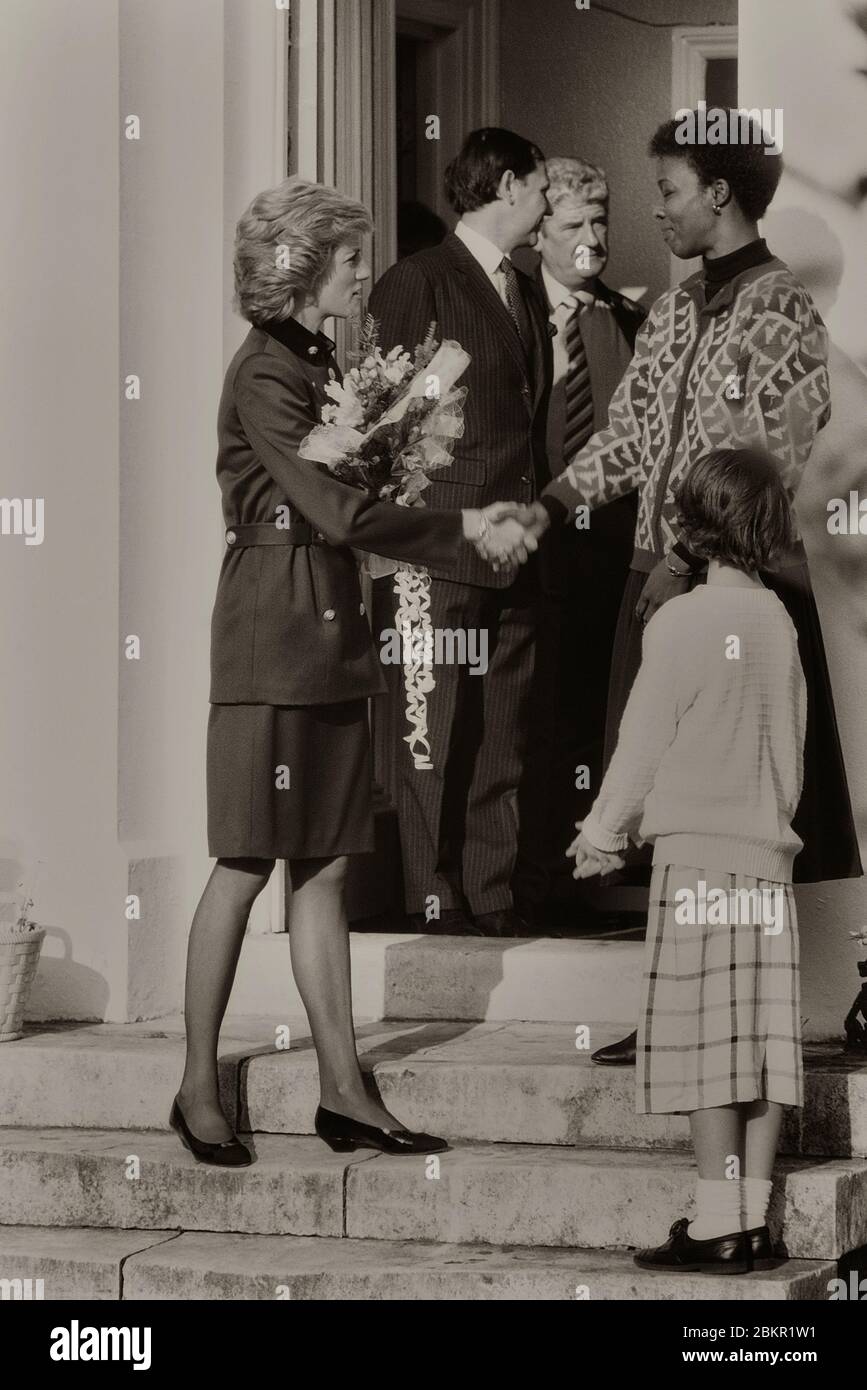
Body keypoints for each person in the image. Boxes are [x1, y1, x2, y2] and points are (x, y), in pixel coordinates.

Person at [172, 177, 537, 1167]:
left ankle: (344, 1089)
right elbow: (335, 509)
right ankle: (197, 1085)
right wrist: (460, 521)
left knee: (328, 865)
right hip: (272, 628)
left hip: (332, 623)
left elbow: (352, 488)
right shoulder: (264, 375)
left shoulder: (319, 358)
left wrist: (401, 430)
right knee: (247, 859)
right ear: (301, 271)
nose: (360, 273)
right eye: (345, 260)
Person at [525, 109, 861, 1061]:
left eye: (668, 190)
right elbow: (628, 436)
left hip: (741, 594)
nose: (656, 210)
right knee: (672, 807)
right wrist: (547, 508)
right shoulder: (672, 310)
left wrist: (678, 559)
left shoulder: (782, 307)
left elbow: (768, 462)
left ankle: (751, 1021)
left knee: (735, 812)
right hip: (661, 581)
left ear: (719, 193)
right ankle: (677, 1006)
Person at [569, 448, 807, 1274]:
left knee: (710, 1049)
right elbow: (792, 749)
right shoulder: (778, 624)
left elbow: (641, 746)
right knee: (762, 1046)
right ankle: (754, 1219)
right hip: (765, 866)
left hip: (699, 865)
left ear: (690, 525)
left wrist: (602, 833)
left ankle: (715, 1225)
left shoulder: (679, 623)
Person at [369, 128, 553, 937]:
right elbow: (393, 422)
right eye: (542, 188)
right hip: (444, 547)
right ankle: (433, 895)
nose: (547, 204)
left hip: (517, 543)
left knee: (499, 732)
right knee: (430, 727)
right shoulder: (419, 281)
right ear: (508, 186)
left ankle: (491, 890)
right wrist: (435, 529)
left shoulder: (525, 286)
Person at [514, 156, 645, 920]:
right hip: (528, 549)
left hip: (606, 555)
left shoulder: (629, 320)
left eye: (601, 222)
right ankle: (524, 892)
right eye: (573, 225)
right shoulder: (513, 311)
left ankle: (585, 881)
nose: (592, 240)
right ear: (537, 233)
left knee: (598, 714)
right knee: (528, 723)